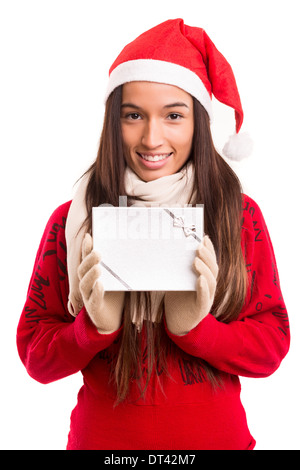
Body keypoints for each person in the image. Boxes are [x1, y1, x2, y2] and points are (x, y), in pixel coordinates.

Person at [17, 19, 290, 450]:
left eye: (174, 116)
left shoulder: (238, 216)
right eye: (133, 115)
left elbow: (272, 344)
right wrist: (93, 327)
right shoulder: (73, 220)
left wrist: (198, 329)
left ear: (198, 122)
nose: (152, 137)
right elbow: (36, 356)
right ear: (113, 121)